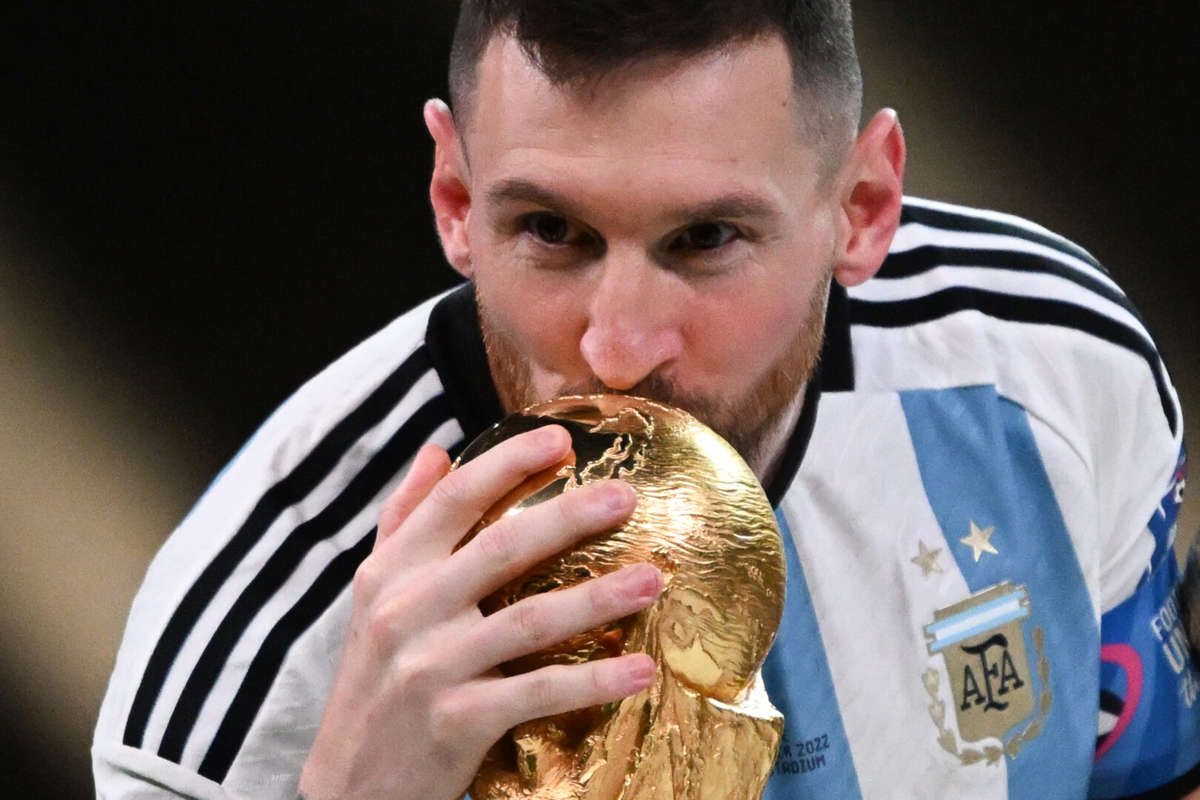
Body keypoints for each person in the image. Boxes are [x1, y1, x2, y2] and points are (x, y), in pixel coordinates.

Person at [93, 1, 1198, 798]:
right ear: (456, 199)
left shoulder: (1049, 368)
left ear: (861, 207)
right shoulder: (250, 654)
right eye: (551, 231)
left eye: (705, 238)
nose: (616, 353)